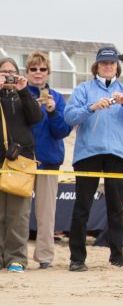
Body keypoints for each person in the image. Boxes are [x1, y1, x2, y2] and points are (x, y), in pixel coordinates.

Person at [61, 48, 123, 272]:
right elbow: (69, 117)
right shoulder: (83, 89)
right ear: (96, 66)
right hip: (87, 153)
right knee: (82, 206)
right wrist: (91, 107)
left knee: (116, 206)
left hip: (116, 154)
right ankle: (77, 258)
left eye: (111, 63)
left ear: (117, 66)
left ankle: (117, 256)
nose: (108, 66)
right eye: (104, 63)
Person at [25, 52, 72, 270]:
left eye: (42, 69)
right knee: (18, 213)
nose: (38, 73)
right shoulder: (19, 94)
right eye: (33, 69)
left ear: (48, 72)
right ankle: (14, 254)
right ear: (27, 72)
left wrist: (52, 111)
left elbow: (62, 131)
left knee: (45, 213)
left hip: (49, 160)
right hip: (21, 161)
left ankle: (45, 257)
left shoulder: (57, 97)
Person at [0, 57, 43, 273]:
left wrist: (24, 90)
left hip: (20, 161)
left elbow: (36, 117)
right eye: (3, 72)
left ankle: (16, 258)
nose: (8, 75)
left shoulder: (24, 95)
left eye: (12, 72)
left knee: (18, 214)